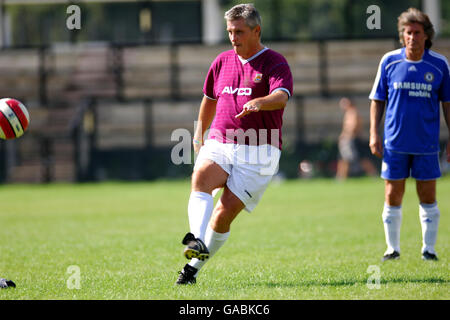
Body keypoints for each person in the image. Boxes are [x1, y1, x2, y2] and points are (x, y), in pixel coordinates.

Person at [176, 3, 293, 285]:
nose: (233, 37)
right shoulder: (221, 61)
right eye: (230, 32)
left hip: (260, 150)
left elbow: (282, 96)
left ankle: (192, 269)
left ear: (256, 31)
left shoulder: (274, 62)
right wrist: (198, 134)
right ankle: (196, 239)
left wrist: (259, 102)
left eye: (239, 31)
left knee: (222, 217)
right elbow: (209, 100)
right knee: (201, 176)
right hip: (221, 139)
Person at [369, 8, 450, 262]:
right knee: (393, 194)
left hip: (426, 143)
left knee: (427, 195)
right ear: (402, 35)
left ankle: (429, 249)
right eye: (408, 32)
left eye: (417, 32)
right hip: (395, 142)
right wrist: (374, 133)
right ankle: (392, 249)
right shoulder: (389, 61)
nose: (412, 37)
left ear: (426, 36)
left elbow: (447, 103)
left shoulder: (439, 64)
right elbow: (377, 100)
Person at [336, 97, 377, 180]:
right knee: (343, 158)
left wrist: (346, 136)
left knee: (360, 158)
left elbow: (353, 127)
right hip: (348, 140)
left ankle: (373, 173)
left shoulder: (353, 112)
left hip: (352, 140)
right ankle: (340, 177)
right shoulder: (348, 113)